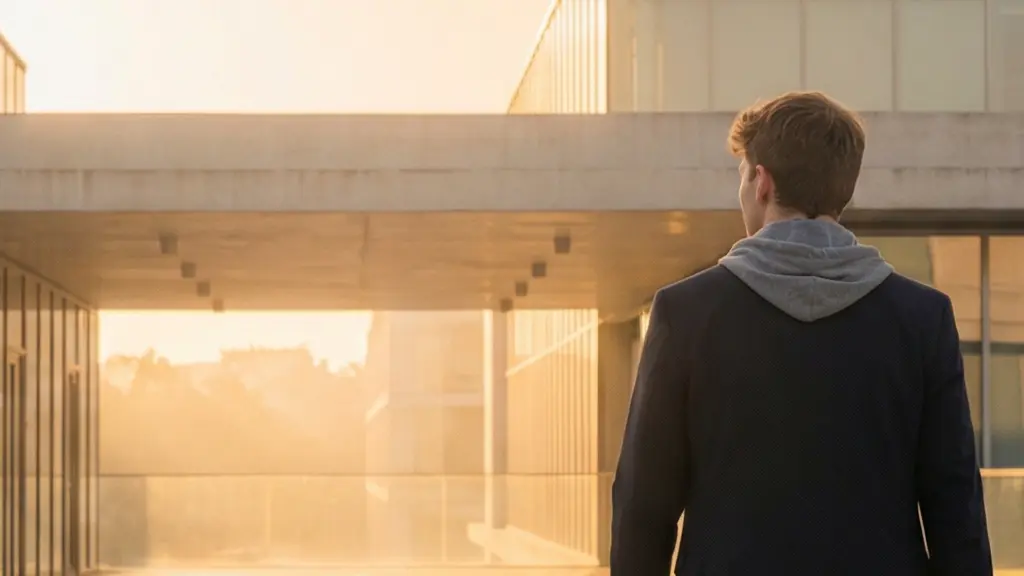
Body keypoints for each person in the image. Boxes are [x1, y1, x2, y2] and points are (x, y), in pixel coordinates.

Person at [610, 91, 992, 576]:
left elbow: (644, 508)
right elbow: (956, 508)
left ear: (761, 181)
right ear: (844, 188)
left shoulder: (684, 313)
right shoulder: (922, 318)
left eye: (743, 175)